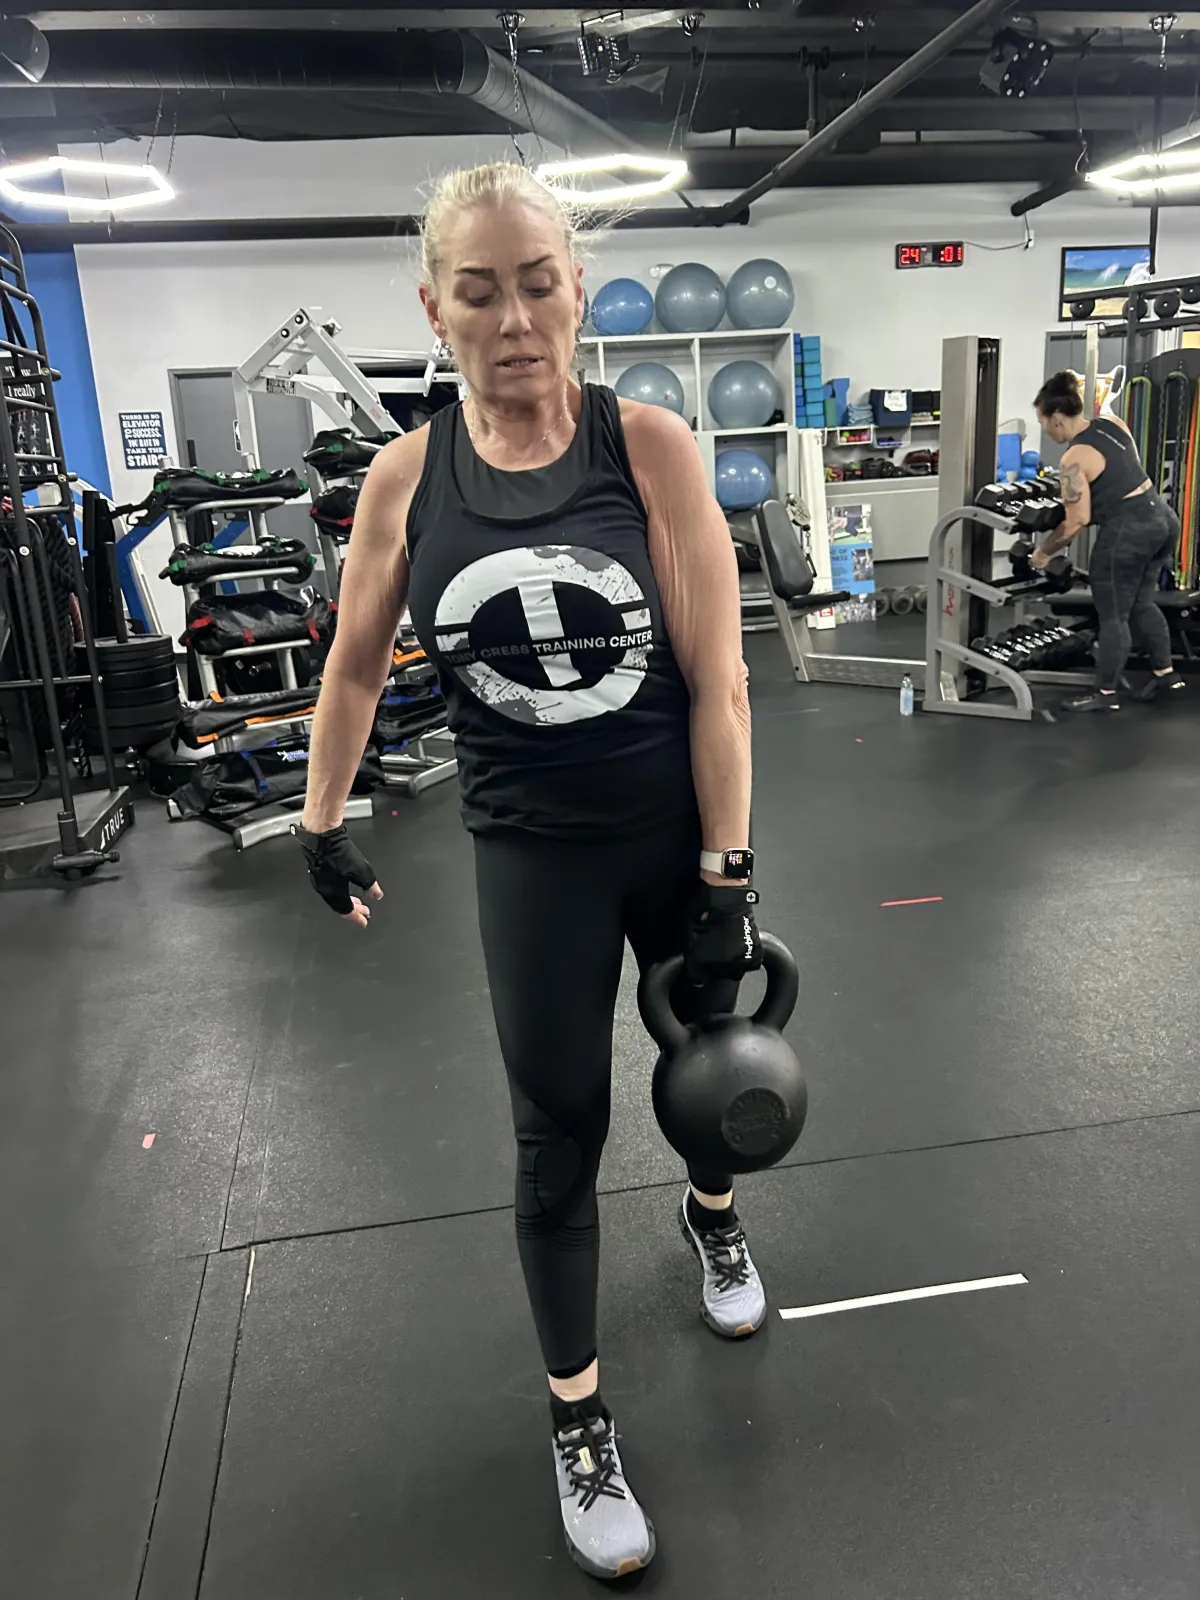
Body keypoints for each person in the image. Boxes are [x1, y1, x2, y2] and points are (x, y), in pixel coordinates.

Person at [292, 162, 765, 1581]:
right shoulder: (405, 478)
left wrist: (728, 870)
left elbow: (721, 679)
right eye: (480, 293)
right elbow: (355, 666)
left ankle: (713, 1217)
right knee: (556, 1135)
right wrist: (320, 819)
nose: (513, 319)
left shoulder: (651, 450)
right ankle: (579, 1419)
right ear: (433, 309)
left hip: (671, 838)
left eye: (539, 284)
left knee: (707, 1076)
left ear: (577, 291)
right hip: (529, 858)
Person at [1032, 371, 1184, 712]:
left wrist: (1043, 552)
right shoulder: (1113, 423)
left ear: (1057, 418)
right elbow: (1123, 473)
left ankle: (1105, 694)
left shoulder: (1072, 460)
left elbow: (1077, 520)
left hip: (1129, 531)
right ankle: (1166, 675)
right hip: (1162, 518)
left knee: (1113, 614)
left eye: (1042, 421)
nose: (1044, 428)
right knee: (1142, 603)